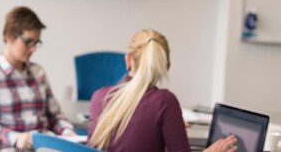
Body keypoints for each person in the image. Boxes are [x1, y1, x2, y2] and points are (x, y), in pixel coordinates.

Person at [88, 29, 237, 152]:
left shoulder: (99, 96)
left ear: (127, 61)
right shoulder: (165, 102)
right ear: (167, 67)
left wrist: (165, 128)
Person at [0, 6, 75, 151]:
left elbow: (55, 116)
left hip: (45, 146)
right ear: (10, 37)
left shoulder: (38, 72)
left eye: (36, 43)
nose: (33, 49)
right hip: (12, 147)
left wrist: (68, 133)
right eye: (28, 42)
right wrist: (14, 138)